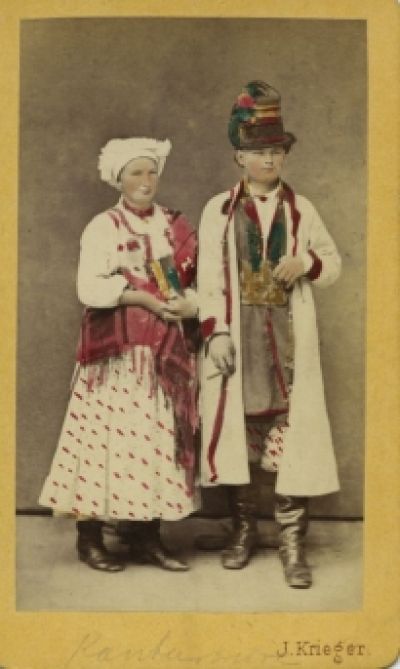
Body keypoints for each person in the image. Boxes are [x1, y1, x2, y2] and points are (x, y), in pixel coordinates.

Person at [197, 81, 341, 587]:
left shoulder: (302, 210)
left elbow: (333, 263)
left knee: (290, 434)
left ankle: (291, 543)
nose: (268, 160)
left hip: (285, 337)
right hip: (239, 335)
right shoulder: (219, 210)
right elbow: (208, 280)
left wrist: (306, 262)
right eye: (259, 152)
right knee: (237, 434)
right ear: (240, 156)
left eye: (276, 151)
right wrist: (216, 333)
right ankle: (243, 530)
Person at [39, 137, 199, 572]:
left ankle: (146, 536)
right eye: (135, 173)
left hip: (163, 351)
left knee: (153, 438)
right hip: (117, 354)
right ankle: (90, 538)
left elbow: (198, 281)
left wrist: (188, 304)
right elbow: (89, 287)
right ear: (118, 179)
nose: (146, 181)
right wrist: (143, 299)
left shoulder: (174, 224)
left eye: (151, 172)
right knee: (103, 439)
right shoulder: (104, 226)